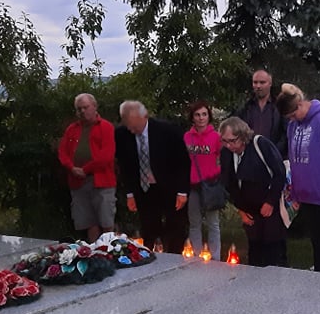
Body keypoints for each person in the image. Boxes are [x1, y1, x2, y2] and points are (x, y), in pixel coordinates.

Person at [275, 83, 320, 274]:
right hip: (307, 196)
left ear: (301, 104)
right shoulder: (293, 126)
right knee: (317, 245)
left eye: (293, 114)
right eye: (289, 117)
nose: (292, 119)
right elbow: (294, 160)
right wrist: (295, 191)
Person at [115, 100, 191, 253]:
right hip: (144, 188)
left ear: (145, 117)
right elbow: (125, 166)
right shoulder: (122, 134)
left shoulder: (167, 130)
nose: (131, 129)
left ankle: (174, 259)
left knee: (175, 227)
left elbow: (183, 162)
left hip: (170, 186)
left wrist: (182, 191)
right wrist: (130, 194)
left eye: (135, 125)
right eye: (128, 125)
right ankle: (149, 257)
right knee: (148, 228)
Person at [218, 117, 287, 266]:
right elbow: (229, 184)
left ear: (242, 136)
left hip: (269, 206)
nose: (229, 145)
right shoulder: (226, 154)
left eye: (232, 141)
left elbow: (279, 173)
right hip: (249, 209)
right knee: (255, 250)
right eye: (225, 141)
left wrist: (270, 202)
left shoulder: (260, 144)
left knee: (272, 249)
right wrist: (241, 210)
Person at [57, 93, 116, 243]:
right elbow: (62, 152)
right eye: (79, 109)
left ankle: (110, 250)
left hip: (101, 181)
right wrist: (72, 168)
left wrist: (85, 169)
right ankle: (93, 251)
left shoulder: (106, 127)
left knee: (106, 220)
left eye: (85, 107)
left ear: (94, 107)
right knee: (89, 222)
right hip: (78, 182)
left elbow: (106, 155)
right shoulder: (72, 129)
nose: (82, 111)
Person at [184, 100, 222, 260]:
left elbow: (222, 159)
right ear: (192, 117)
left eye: (204, 114)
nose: (201, 118)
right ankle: (196, 257)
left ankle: (215, 258)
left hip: (211, 185)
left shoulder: (216, 137)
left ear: (209, 116)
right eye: (197, 115)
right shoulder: (187, 137)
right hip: (193, 185)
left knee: (213, 223)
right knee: (194, 223)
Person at [234, 68, 287, 159]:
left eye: (262, 82)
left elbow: (286, 134)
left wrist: (274, 152)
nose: (258, 86)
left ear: (270, 83)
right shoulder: (245, 107)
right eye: (255, 82)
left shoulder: (280, 106)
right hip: (250, 158)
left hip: (274, 157)